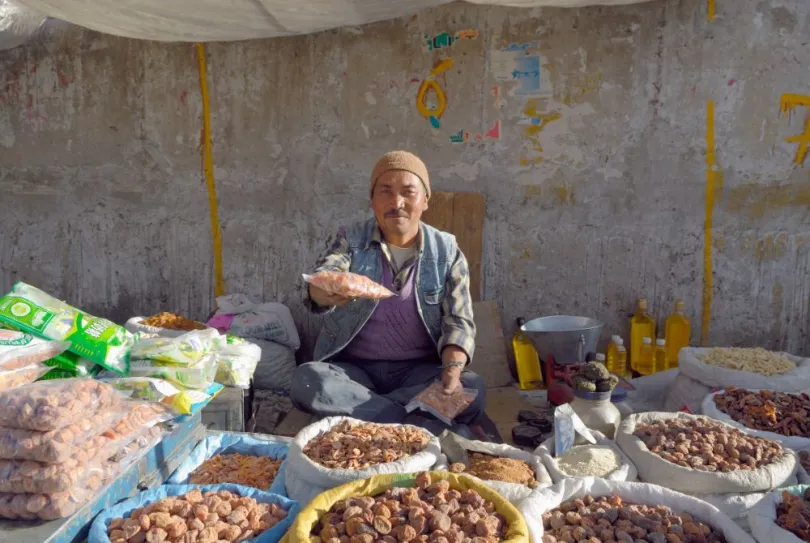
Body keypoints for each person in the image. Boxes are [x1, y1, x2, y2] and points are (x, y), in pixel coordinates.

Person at [291, 150, 485, 436]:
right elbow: (325, 276)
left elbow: (459, 321)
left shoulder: (447, 250)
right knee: (307, 380)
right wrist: (323, 291)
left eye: (408, 192)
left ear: (425, 200)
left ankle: (368, 419)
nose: (397, 203)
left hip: (417, 372)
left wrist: (452, 373)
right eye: (386, 192)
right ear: (372, 200)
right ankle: (416, 424)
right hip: (353, 371)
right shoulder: (351, 238)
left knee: (473, 387)